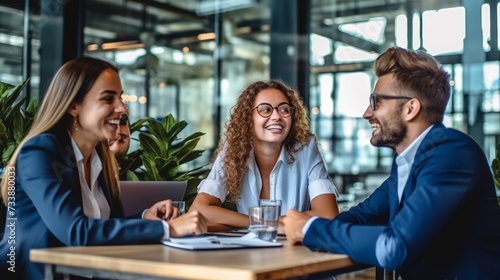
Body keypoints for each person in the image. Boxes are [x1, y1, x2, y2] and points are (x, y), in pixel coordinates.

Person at [283, 47, 500, 279]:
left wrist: (308, 229)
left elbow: (395, 247)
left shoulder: (451, 153)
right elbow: (363, 216)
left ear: (410, 108)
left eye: (376, 102)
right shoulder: (410, 159)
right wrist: (294, 226)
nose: (367, 113)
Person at [0, 56, 207, 279]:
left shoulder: (99, 158)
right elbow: (75, 231)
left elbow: (101, 229)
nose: (121, 108)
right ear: (73, 105)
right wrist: (168, 229)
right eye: (108, 99)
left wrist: (144, 217)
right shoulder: (39, 152)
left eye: (120, 98)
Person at [189, 79, 339, 231]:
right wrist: (262, 222)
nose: (276, 116)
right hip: (249, 250)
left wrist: (251, 222)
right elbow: (198, 210)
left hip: (296, 248)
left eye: (284, 109)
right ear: (248, 118)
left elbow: (328, 214)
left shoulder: (306, 147)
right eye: (266, 110)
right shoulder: (234, 149)